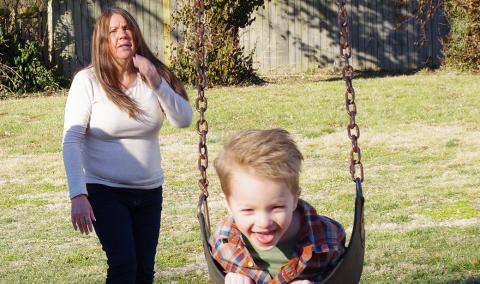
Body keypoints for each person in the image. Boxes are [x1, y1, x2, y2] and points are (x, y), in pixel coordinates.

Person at [62, 7, 192, 284]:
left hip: (149, 192)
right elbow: (72, 139)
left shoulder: (154, 75)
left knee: (145, 271)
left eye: (127, 28)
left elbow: (183, 120)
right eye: (114, 30)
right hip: (105, 191)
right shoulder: (88, 81)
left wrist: (157, 82)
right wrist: (78, 194)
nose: (122, 34)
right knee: (123, 267)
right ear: (102, 41)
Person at [210, 129, 346, 284]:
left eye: (276, 208)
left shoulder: (327, 238)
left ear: (295, 199)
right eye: (248, 210)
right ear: (228, 205)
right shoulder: (223, 241)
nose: (264, 222)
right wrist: (231, 277)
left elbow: (343, 273)